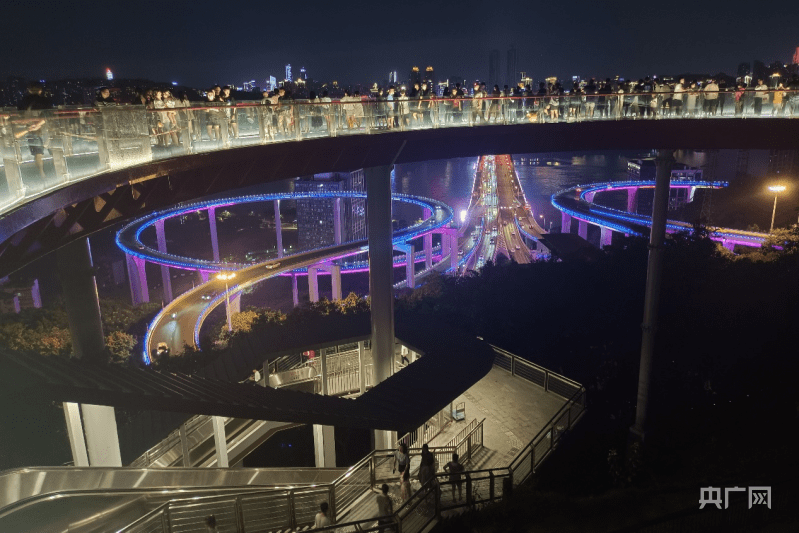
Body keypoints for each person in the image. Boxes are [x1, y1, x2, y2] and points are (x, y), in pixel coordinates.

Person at [16, 81, 52, 180]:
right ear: (40, 90)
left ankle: (42, 175)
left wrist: (31, 125)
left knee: (38, 153)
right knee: (52, 147)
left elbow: (20, 115)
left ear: (29, 90)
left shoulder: (23, 101)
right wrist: (38, 124)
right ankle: (59, 169)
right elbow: (48, 115)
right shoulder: (45, 100)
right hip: (44, 128)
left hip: (30, 129)